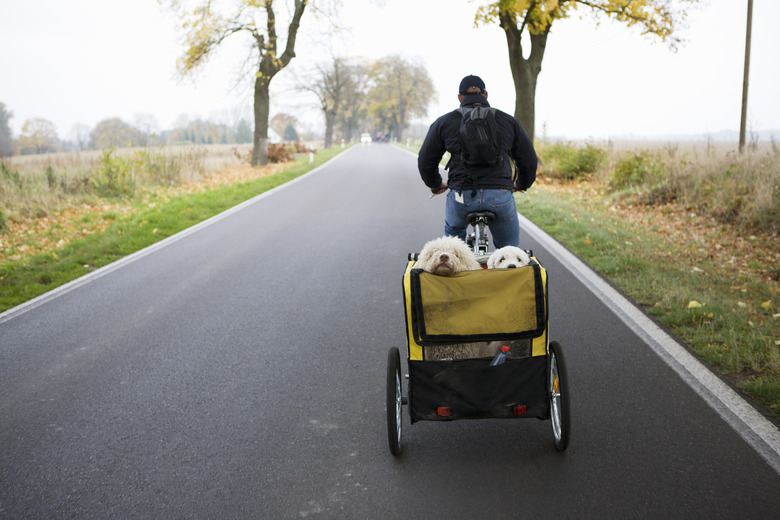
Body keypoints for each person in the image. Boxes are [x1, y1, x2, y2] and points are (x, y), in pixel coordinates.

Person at [417, 74, 537, 248]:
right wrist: (521, 183)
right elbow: (528, 159)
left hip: (461, 196)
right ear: (486, 95)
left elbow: (426, 160)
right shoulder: (507, 121)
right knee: (510, 250)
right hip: (499, 195)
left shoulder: (445, 122)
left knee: (452, 250)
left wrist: (435, 184)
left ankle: (454, 260)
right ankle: (508, 270)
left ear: (459, 97)